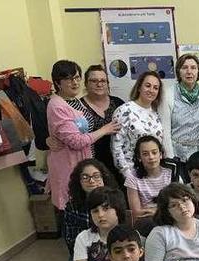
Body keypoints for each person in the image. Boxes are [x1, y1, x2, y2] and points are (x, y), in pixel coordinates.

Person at [46, 60, 120, 210]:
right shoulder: (57, 105)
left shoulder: (73, 101)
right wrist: (105, 129)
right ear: (58, 82)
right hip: (71, 166)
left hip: (92, 163)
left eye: (77, 77)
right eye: (68, 79)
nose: (74, 82)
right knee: (76, 209)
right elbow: (77, 141)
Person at [61, 158, 117, 261]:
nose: (91, 181)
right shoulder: (72, 207)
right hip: (84, 252)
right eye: (85, 177)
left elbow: (122, 231)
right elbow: (71, 241)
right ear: (79, 181)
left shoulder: (115, 200)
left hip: (114, 250)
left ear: (104, 178)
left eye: (96, 176)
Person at [159, 54, 199, 163]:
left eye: (193, 68)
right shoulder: (167, 95)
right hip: (176, 155)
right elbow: (165, 131)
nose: (189, 71)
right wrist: (171, 159)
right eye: (184, 68)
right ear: (178, 71)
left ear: (198, 72)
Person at [110, 71, 164, 175]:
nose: (151, 90)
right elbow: (116, 146)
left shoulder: (156, 113)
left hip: (153, 173)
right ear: (139, 87)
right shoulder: (125, 110)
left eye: (155, 88)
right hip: (132, 172)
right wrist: (127, 174)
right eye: (148, 86)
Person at [79, 64, 125, 176]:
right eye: (94, 81)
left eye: (103, 81)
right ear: (86, 84)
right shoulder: (78, 107)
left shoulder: (118, 103)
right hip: (92, 164)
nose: (99, 84)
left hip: (118, 163)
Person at [124, 135, 172, 232]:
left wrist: (157, 212)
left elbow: (178, 202)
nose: (151, 157)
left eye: (154, 152)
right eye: (145, 154)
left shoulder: (172, 174)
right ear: (139, 157)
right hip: (146, 221)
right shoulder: (132, 178)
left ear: (161, 154)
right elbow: (137, 213)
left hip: (170, 216)